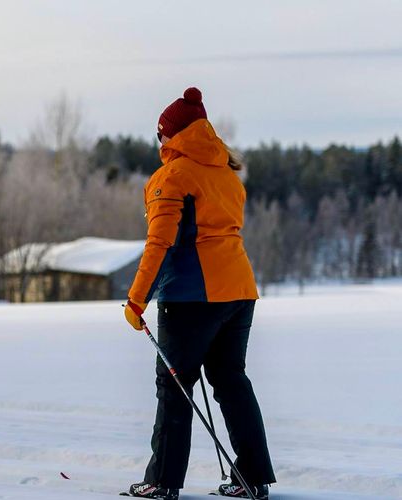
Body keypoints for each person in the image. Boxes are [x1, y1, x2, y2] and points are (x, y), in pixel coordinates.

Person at [121, 88, 275, 499]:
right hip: (240, 290)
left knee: (174, 386)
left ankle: (162, 481)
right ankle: (253, 479)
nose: (160, 144)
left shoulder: (172, 177)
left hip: (192, 298)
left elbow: (160, 243)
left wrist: (137, 300)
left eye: (162, 136)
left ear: (172, 136)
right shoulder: (227, 173)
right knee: (231, 381)